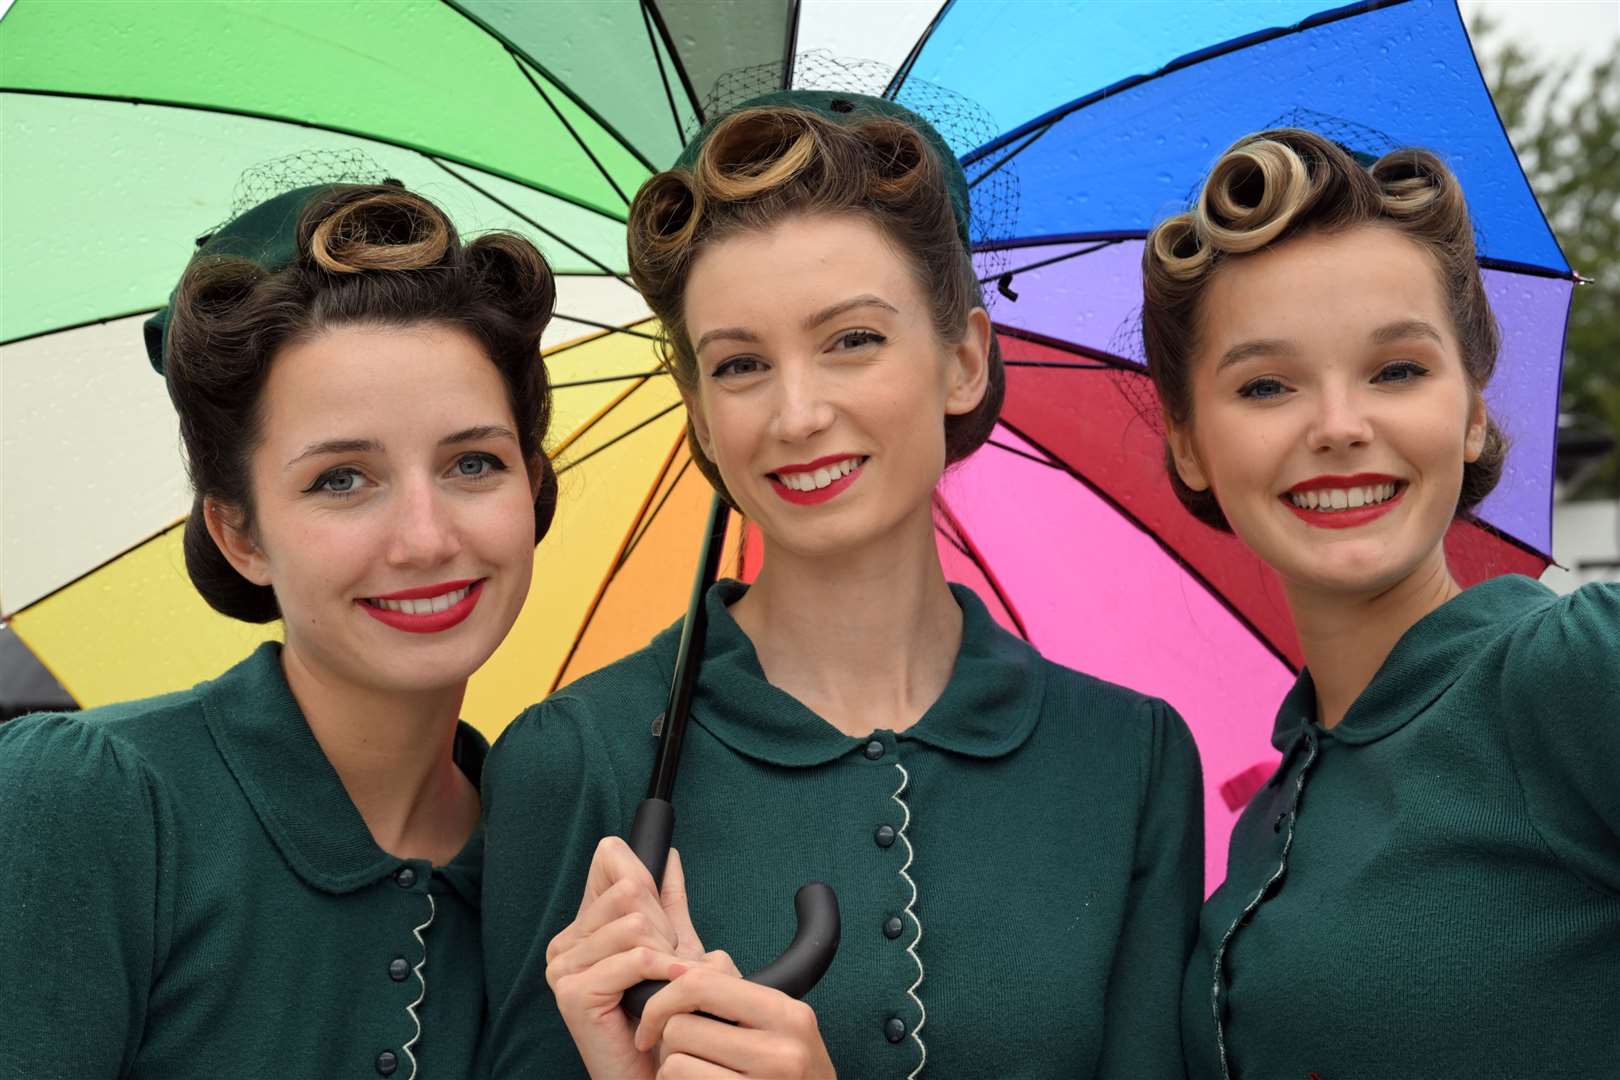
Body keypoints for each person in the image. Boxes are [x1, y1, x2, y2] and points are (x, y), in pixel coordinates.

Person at [481, 90, 1205, 1079]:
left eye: (852, 340)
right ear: (697, 410)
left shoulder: (1130, 758)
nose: (798, 413)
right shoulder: (568, 762)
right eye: (738, 365)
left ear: (962, 360)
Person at [0, 181, 557, 1078]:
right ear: (240, 532)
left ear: (531, 487)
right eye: (342, 479)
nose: (426, 538)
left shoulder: (559, 862)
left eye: (473, 462)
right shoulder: (89, 802)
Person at [1140, 129, 1620, 1079]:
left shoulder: (1574, 669)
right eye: (1267, 385)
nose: (1340, 427)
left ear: (1474, 407)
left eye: (1397, 370)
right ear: (1189, 444)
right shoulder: (1269, 815)